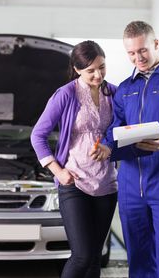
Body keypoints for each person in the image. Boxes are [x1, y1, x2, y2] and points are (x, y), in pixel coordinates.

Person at [90, 21, 159, 278]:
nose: (138, 58)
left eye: (143, 50)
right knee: (138, 260)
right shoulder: (125, 89)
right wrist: (107, 147)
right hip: (130, 185)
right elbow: (116, 128)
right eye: (131, 53)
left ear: (156, 44)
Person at [30, 40, 118, 278]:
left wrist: (110, 145)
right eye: (90, 71)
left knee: (94, 258)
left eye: (102, 67)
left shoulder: (114, 93)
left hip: (107, 185)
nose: (98, 75)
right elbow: (38, 135)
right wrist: (58, 171)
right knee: (81, 256)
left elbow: (122, 129)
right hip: (74, 182)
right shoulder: (66, 94)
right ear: (77, 69)